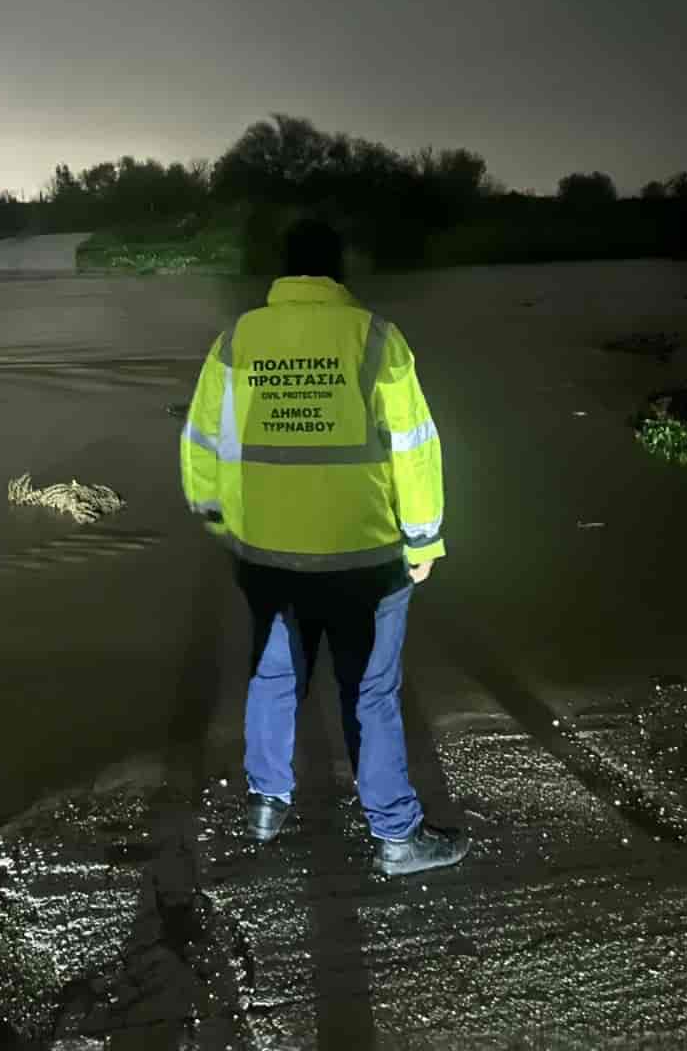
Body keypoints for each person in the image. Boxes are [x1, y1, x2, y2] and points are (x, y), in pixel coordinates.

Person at [178, 217, 469, 877]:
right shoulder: (375, 337)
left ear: (284, 272)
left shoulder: (239, 337)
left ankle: (266, 805)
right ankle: (395, 837)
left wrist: (222, 524)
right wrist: (424, 540)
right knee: (369, 691)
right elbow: (415, 450)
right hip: (364, 555)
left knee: (275, 673)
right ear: (339, 275)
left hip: (268, 554)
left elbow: (204, 441)